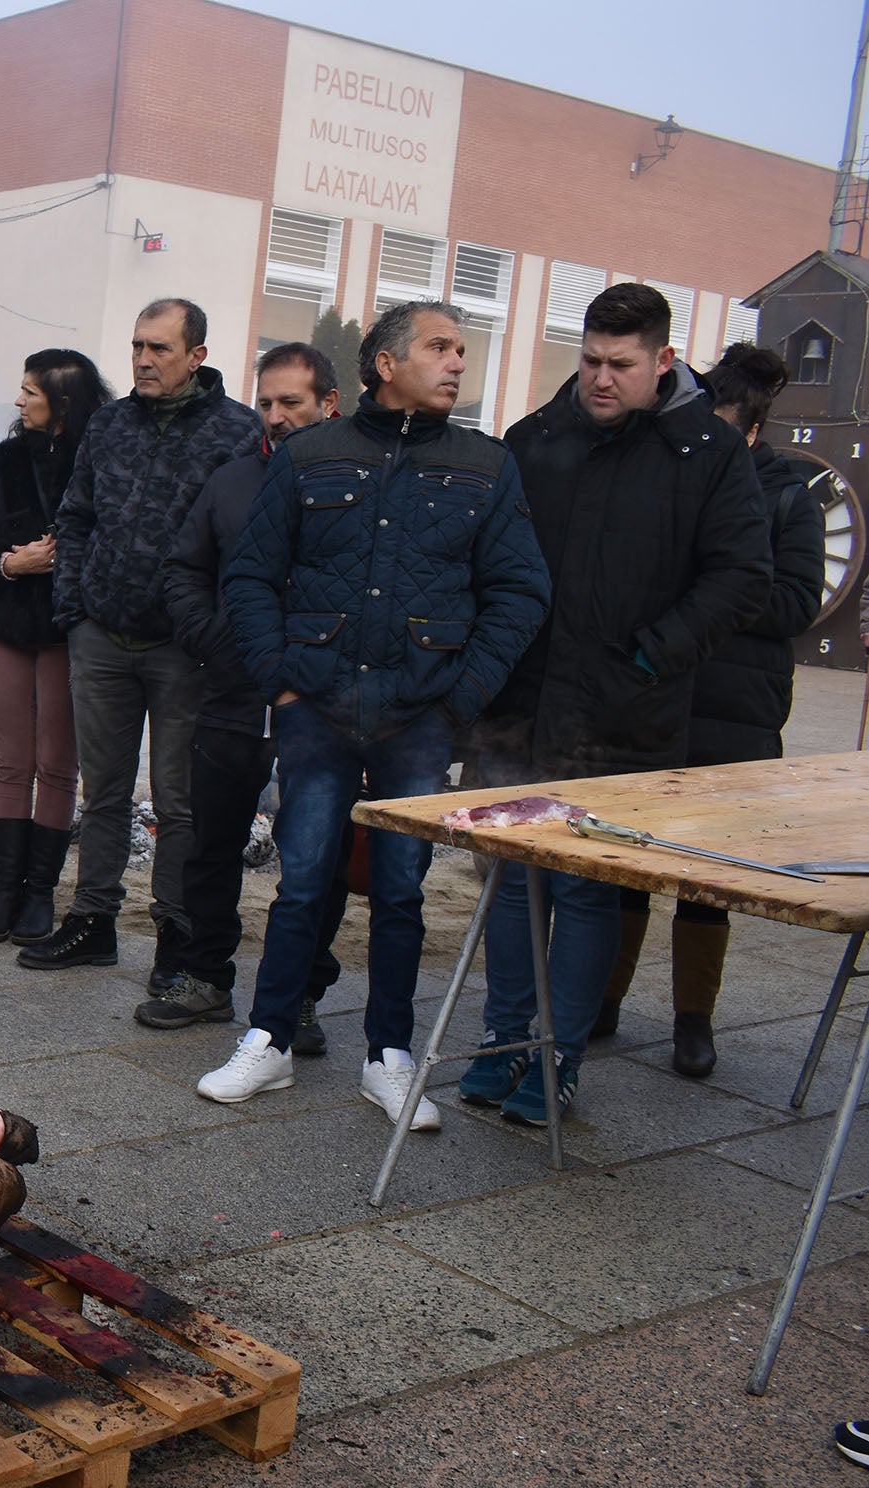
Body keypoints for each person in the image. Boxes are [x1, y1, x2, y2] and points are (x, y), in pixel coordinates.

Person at [203, 303, 551, 1126]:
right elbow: (249, 575)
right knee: (302, 883)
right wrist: (278, 680)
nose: (456, 363)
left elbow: (521, 590)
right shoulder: (312, 454)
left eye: (460, 351)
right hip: (315, 704)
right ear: (385, 364)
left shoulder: (484, 465)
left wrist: (459, 698)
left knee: (400, 892)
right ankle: (268, 1040)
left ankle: (389, 1057)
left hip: (418, 715)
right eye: (438, 348)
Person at [461, 283, 771, 1127]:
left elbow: (742, 578)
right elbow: (489, 562)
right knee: (512, 884)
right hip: (522, 707)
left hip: (625, 715)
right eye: (589, 360)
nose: (599, 379)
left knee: (587, 892)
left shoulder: (705, 452)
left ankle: (556, 1061)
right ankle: (500, 1042)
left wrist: (648, 654)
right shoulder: (533, 439)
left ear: (662, 361)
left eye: (619, 365)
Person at [596, 341, 824, 1078]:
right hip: (657, 694)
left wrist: (720, 587)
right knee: (627, 861)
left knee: (708, 878)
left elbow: (795, 602)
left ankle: (693, 1021)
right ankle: (603, 1001)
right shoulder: (675, 475)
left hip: (736, 708)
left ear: (750, 430)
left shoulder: (788, 497)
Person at [31, 299, 262, 981]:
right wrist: (73, 607)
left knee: (176, 801)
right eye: (136, 346)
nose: (141, 359)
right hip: (101, 636)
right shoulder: (109, 423)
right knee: (101, 792)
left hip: (181, 650)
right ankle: (92, 920)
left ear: (196, 356)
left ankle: (174, 936)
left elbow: (240, 546)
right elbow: (73, 518)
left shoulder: (237, 433)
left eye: (159, 348)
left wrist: (210, 633)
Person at [142, 341, 346, 1040]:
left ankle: (300, 994)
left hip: (321, 706)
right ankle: (203, 976)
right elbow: (183, 571)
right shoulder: (230, 481)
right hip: (230, 694)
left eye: (291, 402)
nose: (275, 416)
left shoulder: (359, 487)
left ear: (329, 404)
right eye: (265, 402)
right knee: (211, 843)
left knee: (316, 856)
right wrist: (216, 640)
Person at [0, 348, 108, 947]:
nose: (19, 401)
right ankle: (3, 893)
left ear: (63, 404)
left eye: (30, 392)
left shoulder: (102, 460)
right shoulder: (6, 459)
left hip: (70, 631)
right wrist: (13, 563)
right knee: (12, 762)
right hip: (5, 625)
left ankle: (40, 894)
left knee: (57, 764)